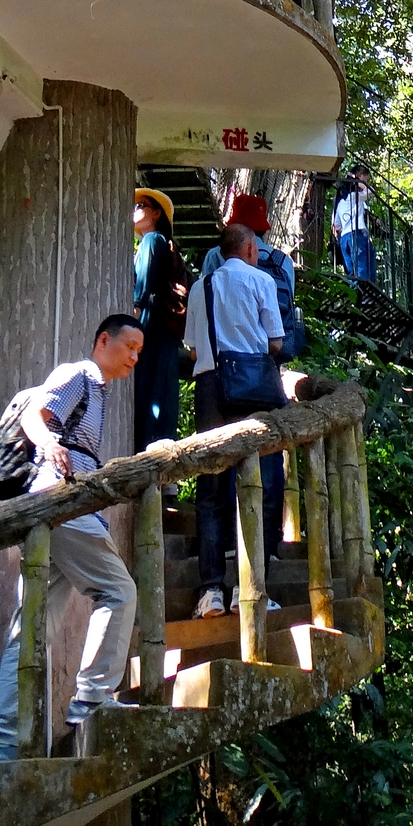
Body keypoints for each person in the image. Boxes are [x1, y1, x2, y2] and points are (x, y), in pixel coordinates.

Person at [0, 316, 146, 759]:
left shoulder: (99, 390)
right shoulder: (77, 374)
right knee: (118, 590)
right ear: (103, 341)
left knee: (33, 627)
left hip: (52, 516)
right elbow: (37, 413)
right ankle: (93, 697)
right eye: (129, 346)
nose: (134, 357)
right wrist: (50, 448)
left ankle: (3, 744)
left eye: (139, 351)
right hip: (59, 502)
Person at [184, 223, 287, 619]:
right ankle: (251, 586)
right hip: (255, 391)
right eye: (255, 249)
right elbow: (276, 342)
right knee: (259, 485)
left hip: (211, 389)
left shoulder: (201, 286)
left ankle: (211, 589)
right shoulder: (261, 281)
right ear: (247, 249)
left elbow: (193, 349)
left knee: (210, 490)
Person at [201, 193, 306, 360]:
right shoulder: (283, 261)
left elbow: (204, 299)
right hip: (271, 349)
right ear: (263, 227)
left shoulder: (217, 255)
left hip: (225, 351)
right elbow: (288, 302)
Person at [133, 188, 191, 452]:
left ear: (156, 213)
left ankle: (146, 464)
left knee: (148, 397)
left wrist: (134, 313)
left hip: (150, 325)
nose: (134, 210)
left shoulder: (152, 240)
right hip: (165, 331)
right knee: (161, 397)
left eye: (140, 205)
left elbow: (142, 285)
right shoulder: (162, 244)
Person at [332, 167, 374, 284]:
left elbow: (337, 225)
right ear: (360, 176)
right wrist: (358, 181)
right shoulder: (354, 196)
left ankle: (356, 297)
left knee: (352, 272)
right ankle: (365, 295)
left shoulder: (340, 202)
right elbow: (370, 191)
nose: (367, 183)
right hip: (357, 235)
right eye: (366, 179)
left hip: (344, 238)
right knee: (362, 269)